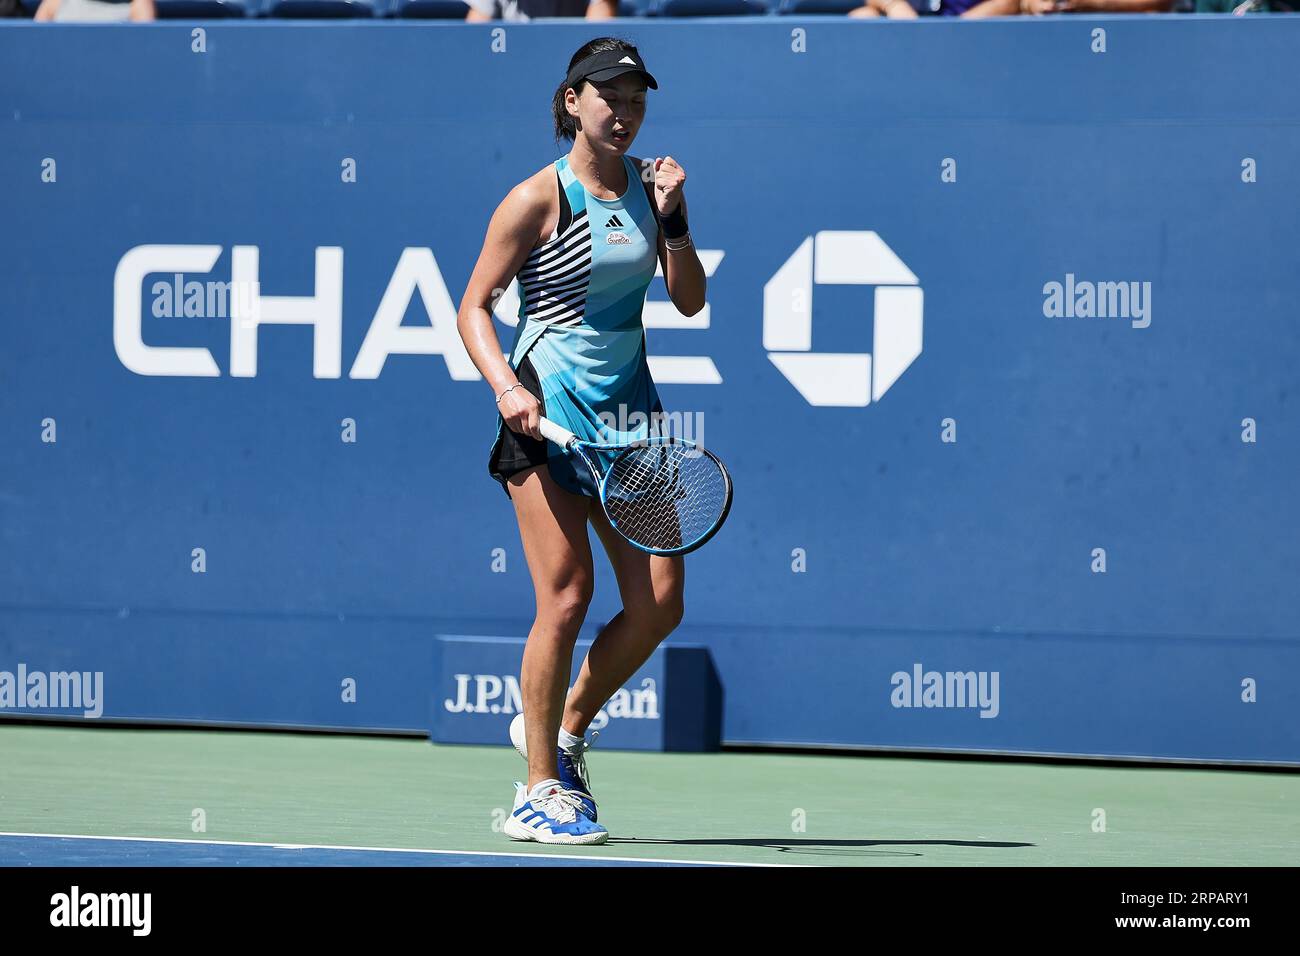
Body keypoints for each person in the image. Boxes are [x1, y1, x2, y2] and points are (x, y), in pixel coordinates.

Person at [456, 37, 706, 845]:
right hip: (547, 415)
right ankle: (536, 790)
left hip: (632, 419)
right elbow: (475, 305)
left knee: (660, 604)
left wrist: (674, 221)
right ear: (573, 102)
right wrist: (508, 389)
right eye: (611, 97)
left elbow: (691, 301)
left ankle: (561, 729)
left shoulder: (648, 186)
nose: (626, 112)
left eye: (637, 100)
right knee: (566, 596)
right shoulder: (536, 199)